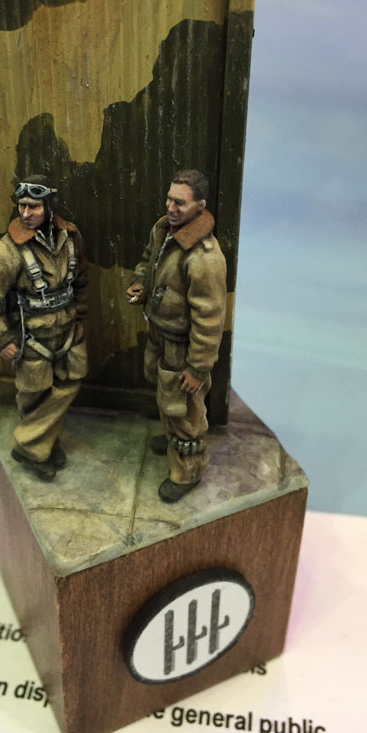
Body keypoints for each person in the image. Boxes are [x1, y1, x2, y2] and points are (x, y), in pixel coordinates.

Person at [0, 175, 88, 480]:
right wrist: (0, 337)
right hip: (32, 337)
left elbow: (81, 280)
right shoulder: (7, 251)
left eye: (34, 206)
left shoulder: (70, 238)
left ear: (48, 206)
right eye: (22, 206)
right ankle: (34, 448)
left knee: (71, 382)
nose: (26, 212)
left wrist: (80, 311)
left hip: (68, 331)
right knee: (33, 397)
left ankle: (36, 443)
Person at [127, 169, 226, 503]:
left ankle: (188, 472)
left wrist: (198, 367)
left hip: (183, 348)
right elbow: (149, 261)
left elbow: (210, 319)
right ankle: (172, 440)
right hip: (160, 334)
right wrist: (141, 284)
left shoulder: (204, 258)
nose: (170, 207)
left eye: (180, 203)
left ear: (200, 206)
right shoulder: (164, 230)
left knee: (185, 412)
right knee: (166, 398)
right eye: (169, 199)